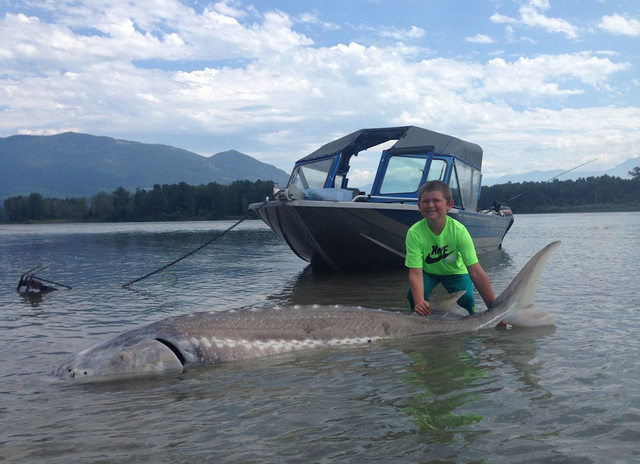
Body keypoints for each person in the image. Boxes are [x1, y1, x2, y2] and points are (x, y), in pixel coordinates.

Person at [405, 180, 495, 316]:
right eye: (425, 201)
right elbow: (415, 273)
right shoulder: (414, 232)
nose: (430, 205)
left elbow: (476, 272)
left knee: (467, 299)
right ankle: (416, 320)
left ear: (449, 204)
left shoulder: (459, 231)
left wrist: (494, 308)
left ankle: (470, 330)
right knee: (413, 294)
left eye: (436, 200)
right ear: (419, 206)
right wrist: (419, 303)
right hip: (428, 272)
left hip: (455, 272)